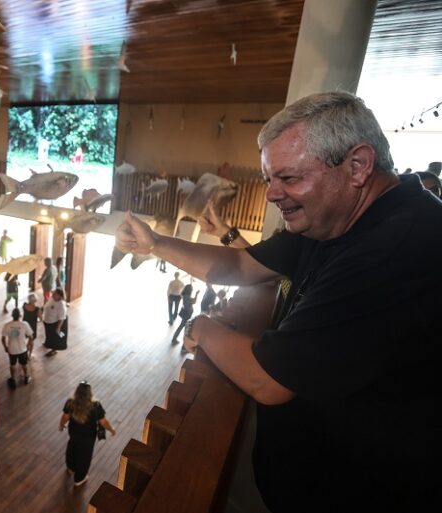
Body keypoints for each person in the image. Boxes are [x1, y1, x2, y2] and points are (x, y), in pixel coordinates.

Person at [114, 91, 442, 511]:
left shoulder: (397, 244)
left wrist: (202, 327)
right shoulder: (333, 221)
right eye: (269, 178)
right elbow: (242, 267)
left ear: (357, 166)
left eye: (288, 178)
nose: (271, 194)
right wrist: (155, 244)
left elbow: (269, 380)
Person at [59, 381, 116, 487]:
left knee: (72, 448)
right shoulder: (95, 405)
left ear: (77, 391)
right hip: (88, 437)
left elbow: (65, 417)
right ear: (90, 393)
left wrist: (61, 425)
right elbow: (103, 422)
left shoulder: (70, 402)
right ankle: (79, 478)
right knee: (84, 456)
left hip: (73, 433)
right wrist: (112, 430)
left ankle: (71, 468)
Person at [1, 308, 34, 388]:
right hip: (22, 349)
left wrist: (5, 347)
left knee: (12, 365)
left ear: (12, 315)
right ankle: (26, 377)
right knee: (24, 364)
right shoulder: (24, 324)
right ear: (20, 315)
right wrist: (28, 345)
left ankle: (12, 379)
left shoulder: (7, 325)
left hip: (12, 350)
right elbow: (31, 337)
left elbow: (3, 338)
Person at [171, 283, 200, 349]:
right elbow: (194, 301)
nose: (192, 290)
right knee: (184, 328)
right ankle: (181, 344)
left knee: (181, 327)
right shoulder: (187, 297)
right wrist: (196, 294)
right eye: (191, 289)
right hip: (187, 314)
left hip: (185, 313)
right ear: (190, 290)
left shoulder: (185, 295)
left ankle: (175, 339)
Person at [43, 288, 67, 357]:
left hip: (53, 323)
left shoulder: (61, 305)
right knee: (48, 335)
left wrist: (58, 327)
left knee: (54, 337)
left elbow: (61, 318)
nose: (53, 294)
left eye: (55, 294)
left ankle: (54, 350)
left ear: (59, 295)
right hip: (47, 320)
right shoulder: (52, 298)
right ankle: (47, 343)